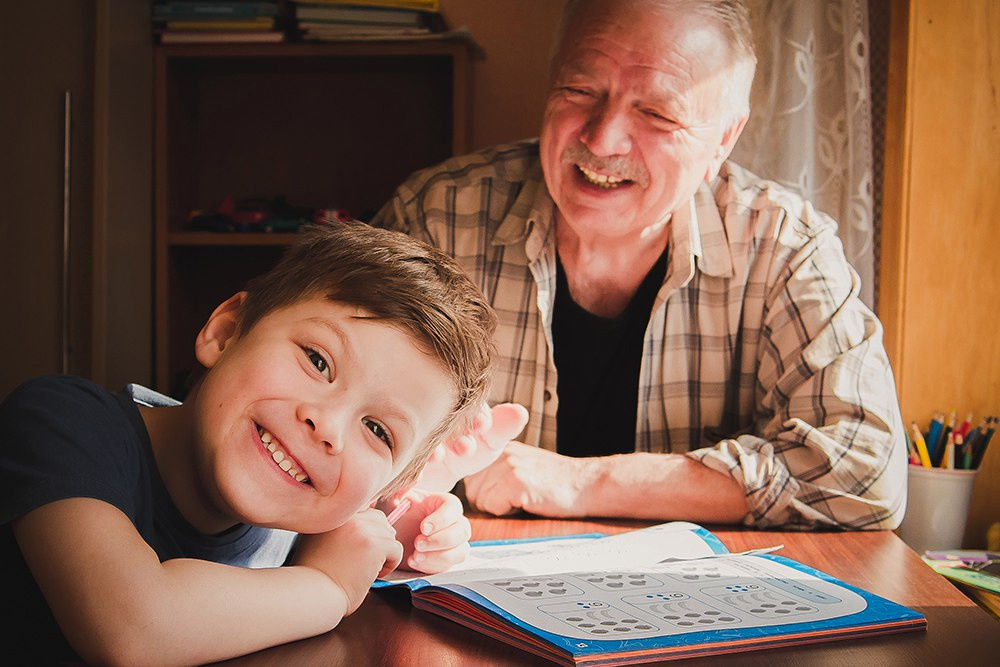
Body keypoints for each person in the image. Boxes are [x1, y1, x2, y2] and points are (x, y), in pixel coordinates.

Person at [372, 0, 907, 531]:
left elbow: (866, 471)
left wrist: (579, 482)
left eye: (657, 113)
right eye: (580, 91)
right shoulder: (438, 218)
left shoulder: (785, 247)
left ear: (724, 138)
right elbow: (333, 424)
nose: (602, 139)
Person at [0, 222, 511, 665]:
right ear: (225, 332)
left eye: (378, 431)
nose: (327, 425)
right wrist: (329, 587)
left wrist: (395, 534)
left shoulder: (304, 521)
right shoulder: (62, 423)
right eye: (318, 361)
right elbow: (133, 627)